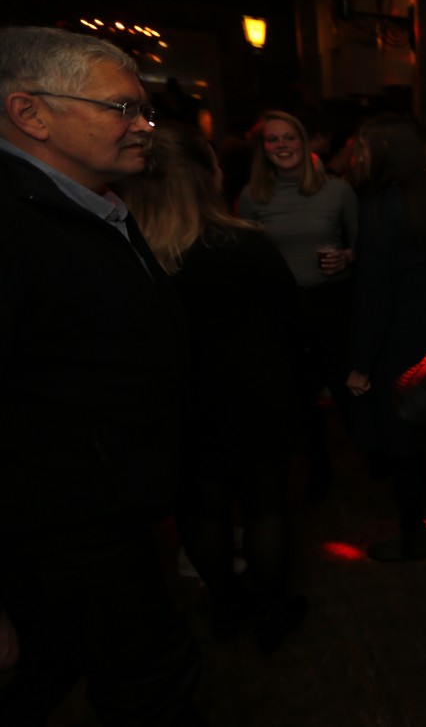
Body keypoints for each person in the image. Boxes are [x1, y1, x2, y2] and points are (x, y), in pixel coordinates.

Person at [0, 26, 200, 723]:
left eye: (143, 109)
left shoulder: (91, 202)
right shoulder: (13, 225)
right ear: (31, 113)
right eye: (121, 108)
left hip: (105, 520)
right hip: (58, 540)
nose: (144, 126)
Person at [117, 121, 307, 652]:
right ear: (204, 178)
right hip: (255, 400)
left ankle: (226, 606)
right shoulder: (243, 244)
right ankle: (271, 612)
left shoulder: (131, 254)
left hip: (180, 407)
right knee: (265, 508)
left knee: (201, 512)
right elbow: (294, 324)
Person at [345, 114, 426, 561]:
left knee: (403, 443)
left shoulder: (380, 206)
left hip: (398, 344)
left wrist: (360, 363)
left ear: (383, 152)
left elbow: (374, 295)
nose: (358, 157)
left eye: (363, 148)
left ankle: (412, 536)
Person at [238, 109, 359, 501]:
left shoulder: (337, 190)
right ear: (263, 148)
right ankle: (318, 473)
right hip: (283, 308)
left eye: (289, 137)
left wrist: (347, 256)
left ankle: (372, 461)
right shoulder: (252, 196)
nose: (282, 145)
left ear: (303, 142)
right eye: (272, 139)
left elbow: (360, 244)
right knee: (300, 396)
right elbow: (246, 256)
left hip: (333, 302)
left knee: (348, 388)